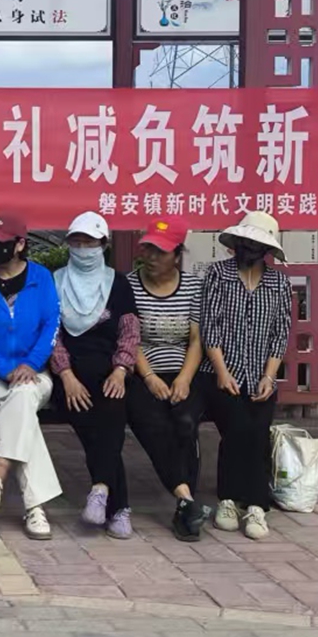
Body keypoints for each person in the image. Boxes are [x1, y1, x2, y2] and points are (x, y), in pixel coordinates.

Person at [0, 212, 63, 540]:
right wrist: (4, 369)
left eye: (1, 242)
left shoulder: (42, 278)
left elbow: (51, 325)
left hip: (35, 375)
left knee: (21, 398)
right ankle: (35, 508)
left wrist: (31, 364)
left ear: (20, 244)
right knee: (22, 416)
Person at [198, 211, 294, 542]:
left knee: (257, 431)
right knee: (240, 428)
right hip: (220, 373)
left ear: (266, 250)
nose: (249, 249)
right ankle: (231, 500)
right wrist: (222, 372)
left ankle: (253, 505)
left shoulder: (279, 283)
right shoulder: (217, 274)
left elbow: (280, 333)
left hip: (261, 377)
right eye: (245, 243)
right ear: (236, 243)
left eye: (256, 245)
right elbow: (210, 327)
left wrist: (269, 376)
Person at [48, 212, 143, 538]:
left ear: (103, 244)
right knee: (96, 428)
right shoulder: (56, 281)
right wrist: (66, 375)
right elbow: (52, 334)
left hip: (110, 372)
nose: (82, 248)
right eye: (76, 241)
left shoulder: (118, 283)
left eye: (89, 242)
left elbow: (130, 331)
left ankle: (101, 491)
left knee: (111, 414)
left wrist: (120, 370)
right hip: (70, 376)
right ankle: (118, 507)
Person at [125, 217, 207, 542]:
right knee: (152, 422)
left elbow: (197, 340)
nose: (152, 257)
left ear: (177, 254)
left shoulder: (193, 286)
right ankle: (186, 501)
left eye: (160, 251)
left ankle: (185, 503)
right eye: (148, 249)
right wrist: (148, 377)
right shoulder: (130, 285)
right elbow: (131, 339)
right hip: (142, 372)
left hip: (185, 370)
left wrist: (184, 379)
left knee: (185, 422)